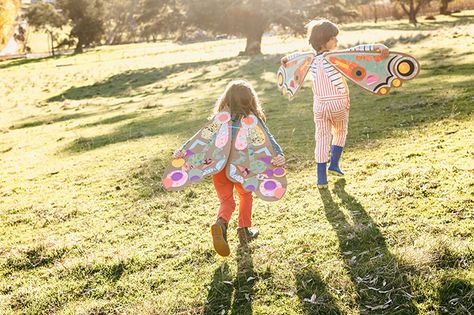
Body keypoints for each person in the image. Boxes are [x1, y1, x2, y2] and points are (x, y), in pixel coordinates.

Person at [172, 80, 285, 256]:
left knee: (227, 201)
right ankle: (244, 230)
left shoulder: (220, 119)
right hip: (241, 168)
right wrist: (278, 154)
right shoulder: (251, 120)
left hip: (218, 167)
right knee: (245, 195)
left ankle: (221, 223)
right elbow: (268, 139)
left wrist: (183, 150)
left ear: (227, 98)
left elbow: (201, 137)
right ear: (250, 100)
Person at [281, 19, 389, 188]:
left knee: (321, 138)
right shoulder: (334, 57)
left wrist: (286, 58)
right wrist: (377, 47)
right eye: (334, 38)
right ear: (325, 40)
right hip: (338, 103)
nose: (337, 41)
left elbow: (296, 56)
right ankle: (334, 164)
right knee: (340, 131)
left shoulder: (309, 58)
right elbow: (356, 51)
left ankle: (321, 178)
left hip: (320, 106)